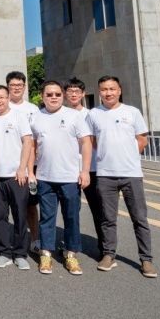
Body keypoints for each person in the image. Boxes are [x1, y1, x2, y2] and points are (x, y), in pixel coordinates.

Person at [87, 76, 156, 278]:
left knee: (139, 218)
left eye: (112, 89)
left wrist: (128, 156)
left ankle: (146, 260)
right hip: (105, 175)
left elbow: (142, 140)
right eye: (104, 89)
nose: (108, 93)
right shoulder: (93, 114)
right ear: (99, 92)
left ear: (119, 90)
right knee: (107, 219)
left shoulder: (132, 112)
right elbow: (92, 141)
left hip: (131, 174)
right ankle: (109, 255)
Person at [30, 81, 92, 275]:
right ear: (42, 96)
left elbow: (86, 143)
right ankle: (46, 253)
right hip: (44, 177)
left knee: (71, 217)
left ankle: (71, 254)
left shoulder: (74, 116)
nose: (54, 97)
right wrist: (30, 171)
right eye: (49, 94)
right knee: (46, 218)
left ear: (62, 96)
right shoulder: (35, 117)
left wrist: (85, 171)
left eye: (57, 94)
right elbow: (32, 145)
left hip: (70, 177)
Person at [0, 85, 33, 270]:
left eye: (2, 97)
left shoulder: (19, 117)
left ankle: (20, 254)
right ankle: (4, 252)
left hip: (17, 176)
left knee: (20, 215)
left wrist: (22, 169)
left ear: (8, 98)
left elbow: (27, 143)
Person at [6, 70, 41, 255]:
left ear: (24, 86)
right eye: (13, 85)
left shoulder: (33, 109)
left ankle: (35, 239)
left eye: (19, 85)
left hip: (30, 165)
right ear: (8, 87)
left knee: (30, 204)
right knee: (7, 205)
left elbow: (36, 139)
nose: (16, 88)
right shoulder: (1, 107)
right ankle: (8, 241)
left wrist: (31, 169)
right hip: (8, 165)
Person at [65, 77, 101, 254]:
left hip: (91, 169)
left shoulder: (91, 115)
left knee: (98, 209)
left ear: (83, 94)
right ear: (65, 94)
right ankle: (71, 247)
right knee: (71, 211)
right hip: (69, 170)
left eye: (77, 91)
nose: (73, 94)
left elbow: (96, 141)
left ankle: (105, 248)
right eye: (70, 91)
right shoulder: (61, 114)